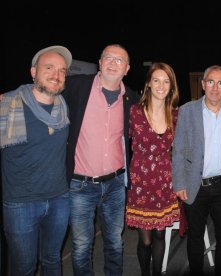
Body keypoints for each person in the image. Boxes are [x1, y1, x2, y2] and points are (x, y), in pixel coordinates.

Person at [62, 44, 139, 275]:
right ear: (100, 62)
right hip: (80, 185)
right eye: (109, 58)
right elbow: (45, 91)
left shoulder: (132, 99)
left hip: (115, 185)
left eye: (120, 60)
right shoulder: (77, 86)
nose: (113, 63)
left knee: (115, 242)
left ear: (127, 69)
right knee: (81, 245)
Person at [0, 45, 72, 275]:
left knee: (52, 260)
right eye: (49, 68)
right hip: (21, 204)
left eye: (62, 70)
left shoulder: (63, 107)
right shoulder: (7, 105)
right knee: (24, 268)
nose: (56, 75)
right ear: (33, 72)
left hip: (59, 200)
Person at [172, 65, 221, 276]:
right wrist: (179, 183)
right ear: (203, 84)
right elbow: (177, 150)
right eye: (210, 82)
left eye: (220, 83)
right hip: (195, 186)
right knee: (195, 237)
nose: (215, 87)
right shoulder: (187, 110)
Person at [125, 62, 180, 276]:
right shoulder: (134, 112)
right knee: (145, 240)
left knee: (159, 236)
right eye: (156, 80)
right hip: (140, 184)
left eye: (166, 82)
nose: (161, 85)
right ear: (148, 83)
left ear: (171, 87)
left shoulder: (175, 116)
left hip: (164, 183)